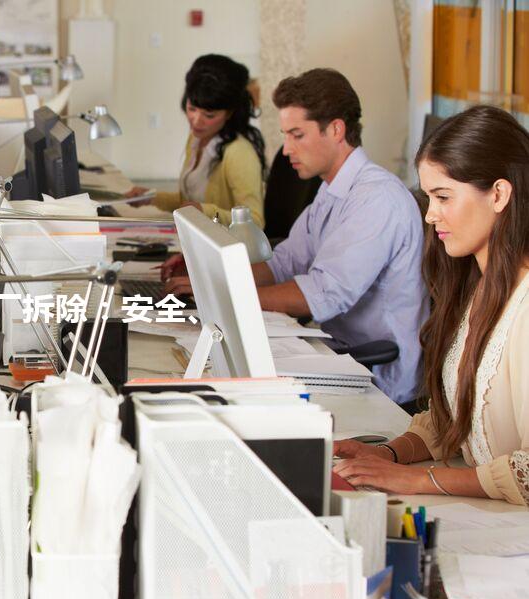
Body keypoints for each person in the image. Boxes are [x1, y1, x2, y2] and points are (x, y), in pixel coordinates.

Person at [163, 68, 427, 405]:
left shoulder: (377, 199)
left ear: (336, 130)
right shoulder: (332, 190)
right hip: (336, 354)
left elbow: (323, 294)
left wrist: (226, 294)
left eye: (297, 135)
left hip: (376, 377)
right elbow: (283, 263)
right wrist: (211, 279)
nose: (286, 150)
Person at [335, 106, 529, 506]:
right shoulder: (478, 285)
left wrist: (419, 479)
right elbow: (457, 415)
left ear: (498, 194)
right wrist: (389, 454)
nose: (429, 215)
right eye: (429, 198)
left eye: (443, 197)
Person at [127, 54, 265, 226]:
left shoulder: (239, 153)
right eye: (192, 109)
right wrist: (151, 197)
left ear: (229, 113)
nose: (196, 121)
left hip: (222, 242)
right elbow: (188, 202)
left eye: (209, 115)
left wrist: (205, 212)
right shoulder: (197, 138)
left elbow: (255, 222)